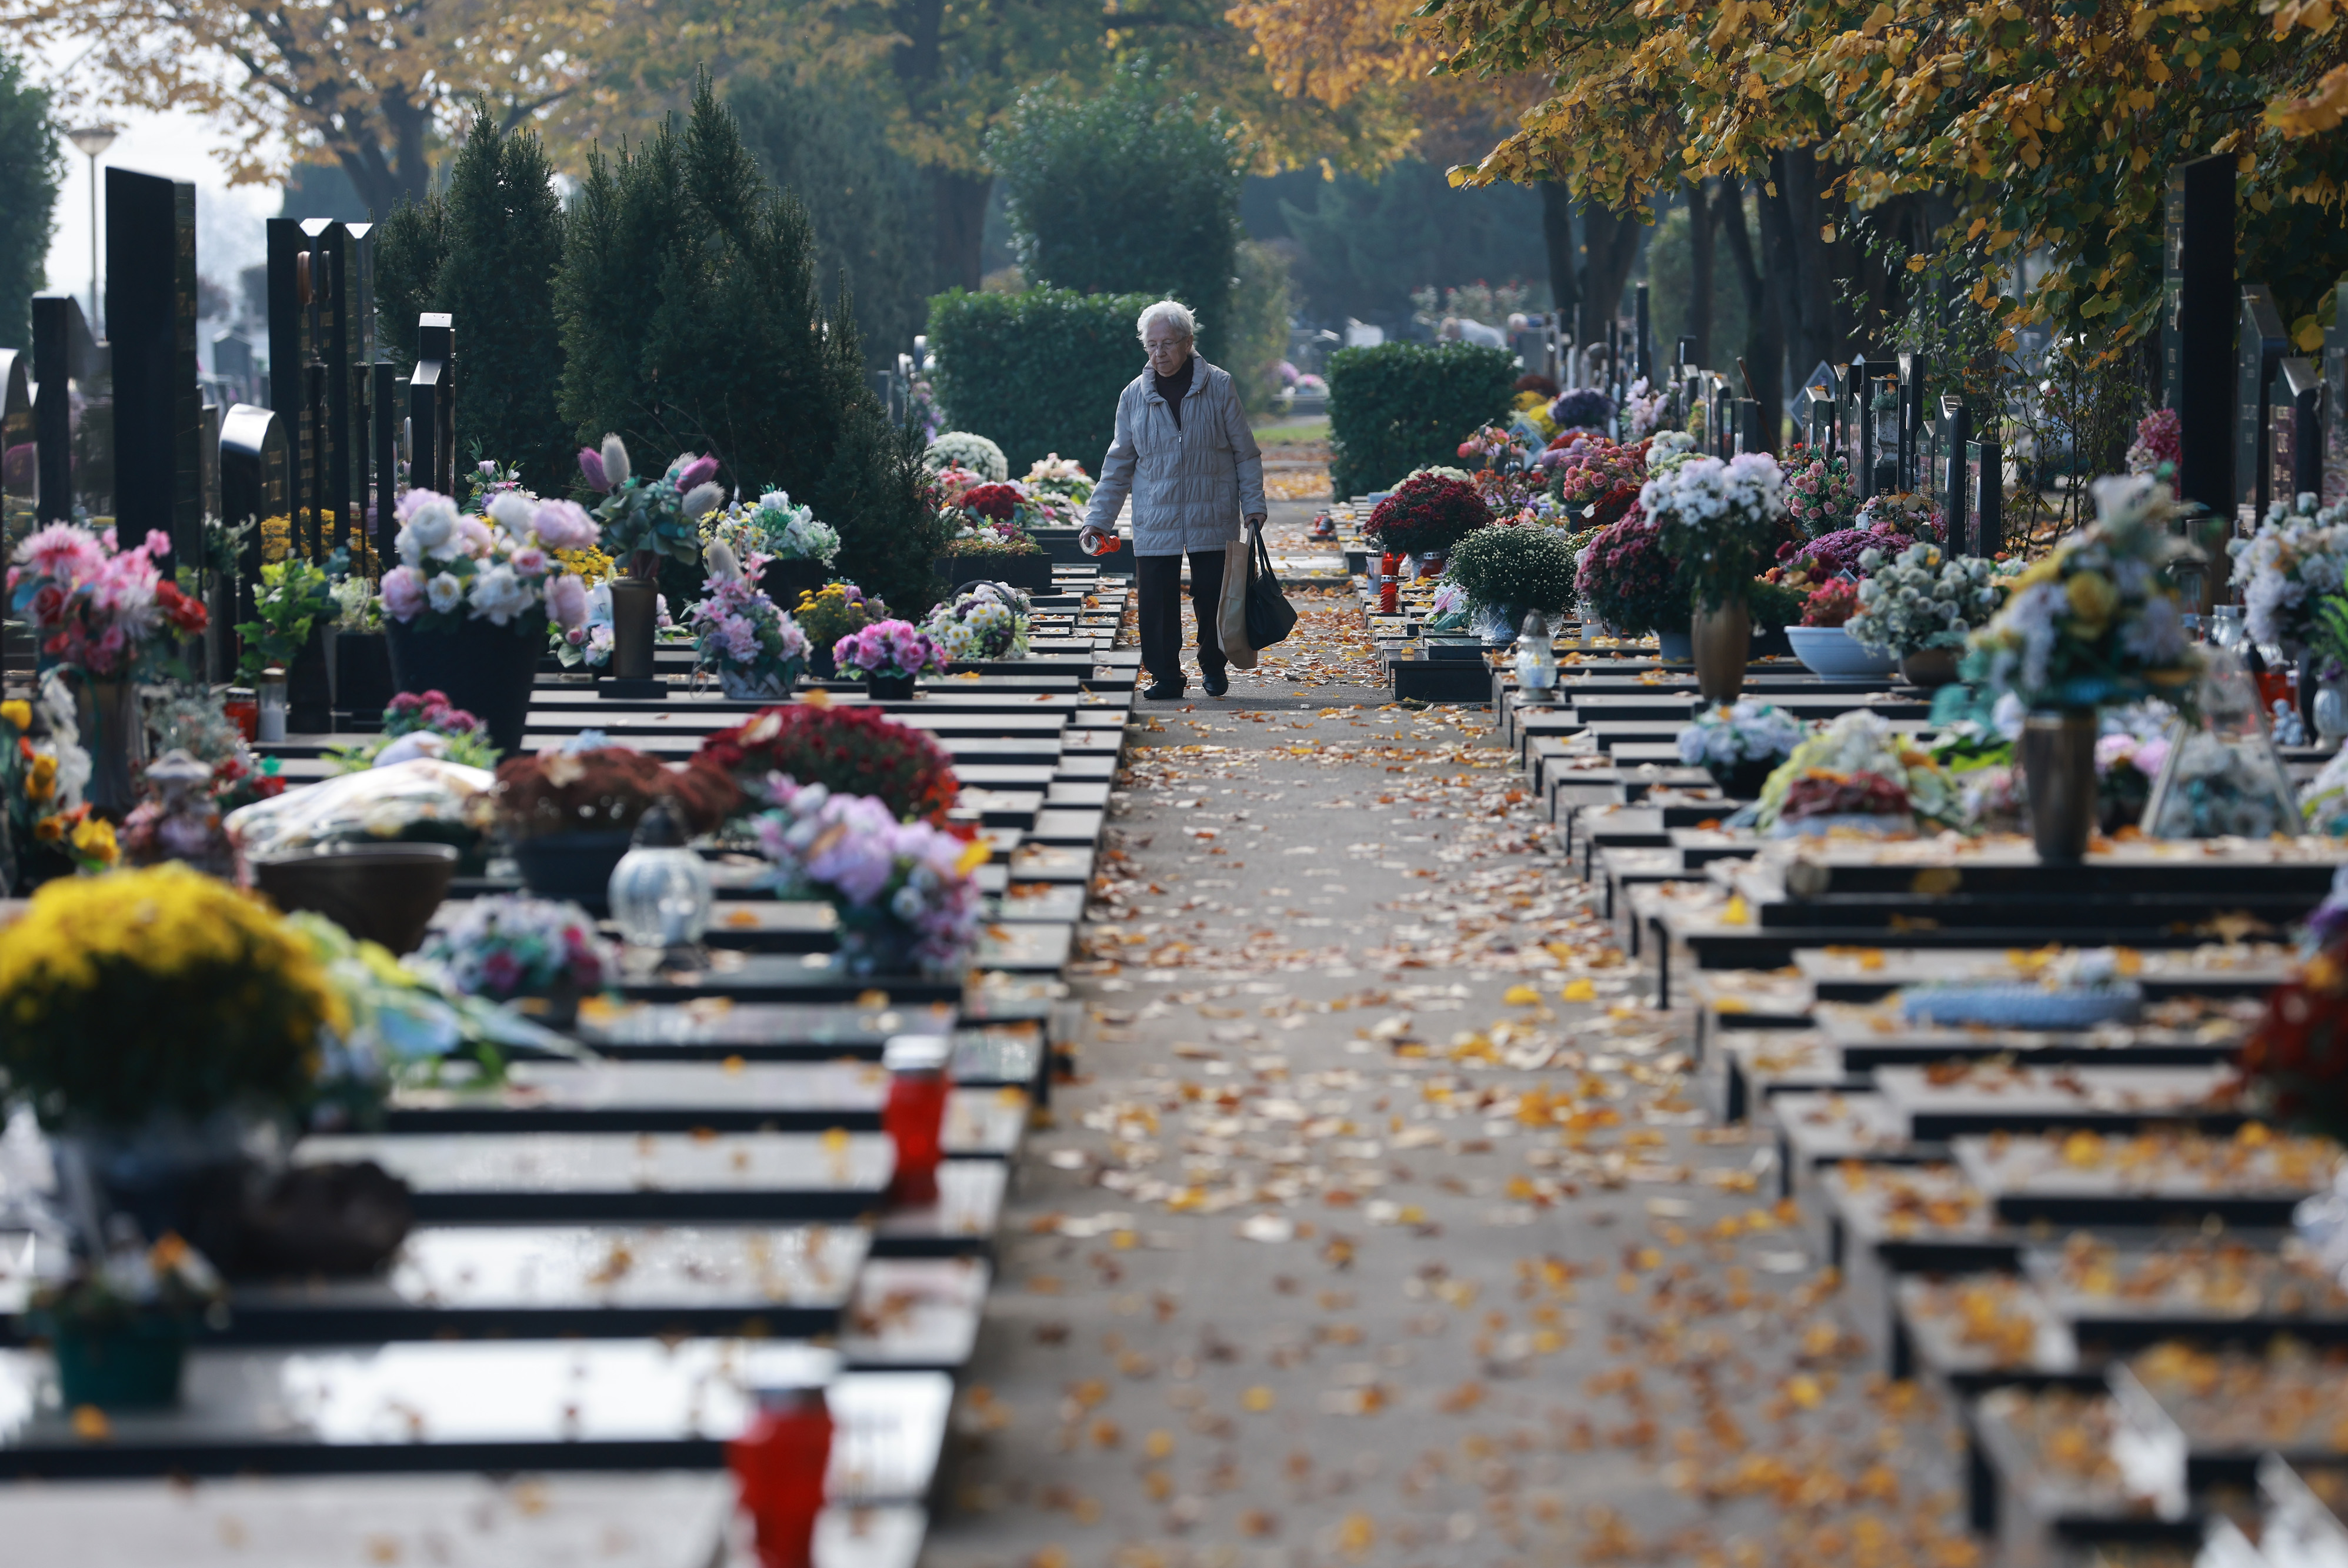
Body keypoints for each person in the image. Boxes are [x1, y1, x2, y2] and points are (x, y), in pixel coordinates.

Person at [1080, 300, 1266, 700]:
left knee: (1213, 595)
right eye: (1152, 345)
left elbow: (1245, 453)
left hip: (1212, 510)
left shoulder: (1219, 386)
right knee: (1156, 598)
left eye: (1167, 343)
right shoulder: (1133, 396)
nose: (1159, 353)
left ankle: (1214, 665)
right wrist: (1098, 519)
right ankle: (1166, 676)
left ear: (1188, 342)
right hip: (1155, 513)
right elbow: (1118, 464)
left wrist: (1254, 506)